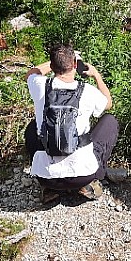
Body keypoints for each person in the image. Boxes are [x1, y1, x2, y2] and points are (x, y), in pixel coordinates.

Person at [24, 44, 118, 202]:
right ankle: (92, 180)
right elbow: (108, 103)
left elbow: (32, 72)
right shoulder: (87, 91)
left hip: (46, 176)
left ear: (52, 66)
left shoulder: (40, 86)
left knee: (33, 128)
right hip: (83, 175)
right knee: (110, 121)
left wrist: (54, 62)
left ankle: (48, 189)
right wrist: (96, 75)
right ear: (75, 64)